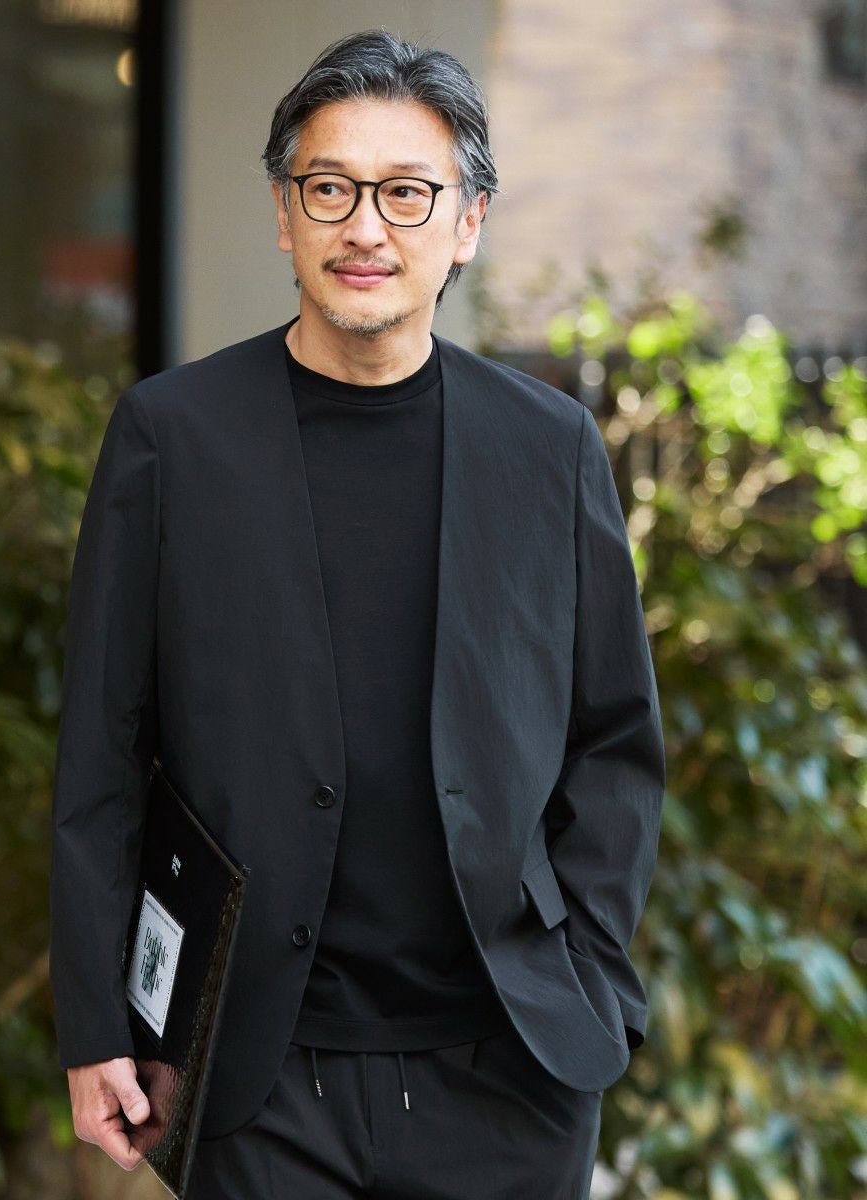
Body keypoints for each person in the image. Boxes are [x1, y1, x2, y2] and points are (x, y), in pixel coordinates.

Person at [50, 27, 665, 1199]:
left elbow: (615, 741)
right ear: (283, 216)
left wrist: (589, 970)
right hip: (258, 1077)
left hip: (509, 1075)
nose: (365, 227)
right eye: (327, 188)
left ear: (467, 222)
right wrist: (98, 1022)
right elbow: (101, 755)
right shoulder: (173, 437)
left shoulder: (547, 448)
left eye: (405, 193)